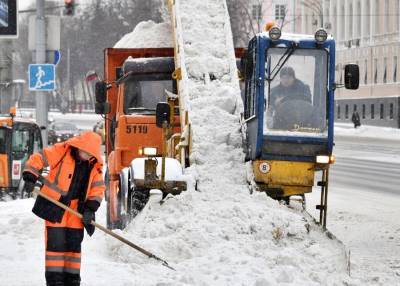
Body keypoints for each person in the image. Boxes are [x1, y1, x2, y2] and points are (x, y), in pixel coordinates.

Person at [22, 131, 105, 286]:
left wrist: (90, 209)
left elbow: (98, 189)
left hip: (76, 212)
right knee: (55, 247)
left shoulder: (94, 167)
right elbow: (39, 158)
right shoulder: (62, 151)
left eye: (90, 154)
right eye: (84, 151)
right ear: (78, 146)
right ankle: (55, 282)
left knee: (73, 249)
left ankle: (72, 281)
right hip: (55, 207)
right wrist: (30, 176)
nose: (86, 156)